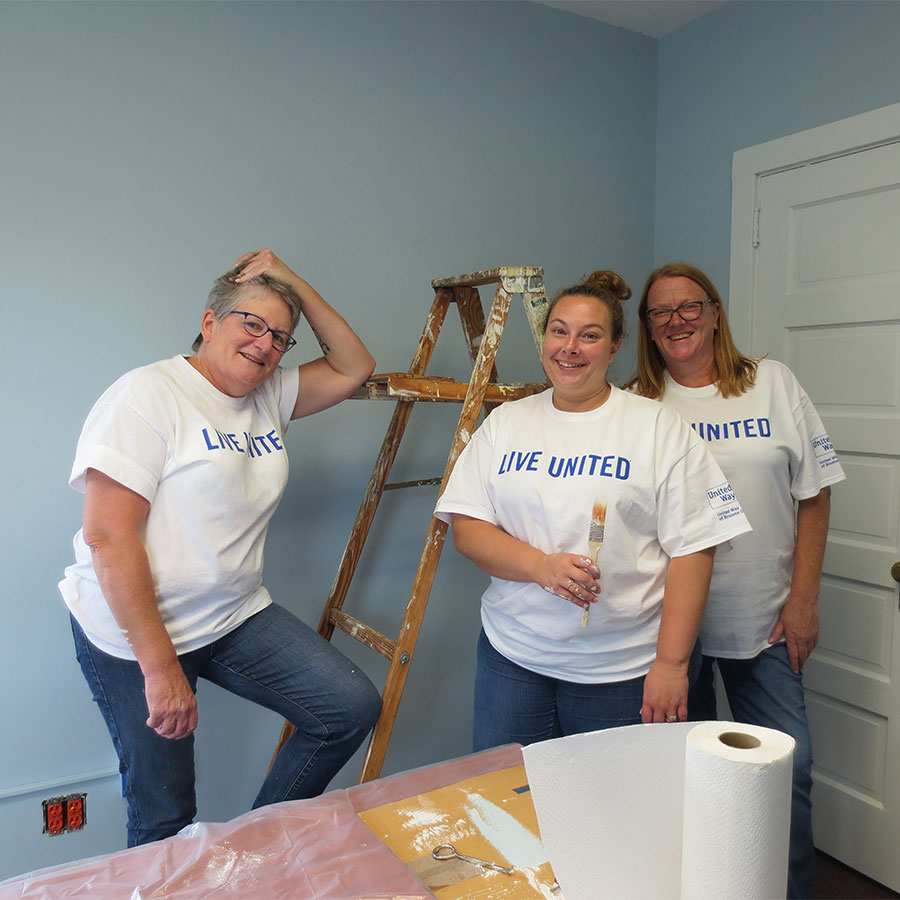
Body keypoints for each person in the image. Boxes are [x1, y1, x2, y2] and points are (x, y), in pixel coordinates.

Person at [59, 249, 382, 847]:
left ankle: (250, 853)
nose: (264, 345)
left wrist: (293, 281)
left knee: (348, 708)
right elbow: (109, 537)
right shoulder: (147, 396)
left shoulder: (268, 394)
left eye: (280, 337)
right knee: (164, 815)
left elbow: (353, 364)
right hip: (136, 635)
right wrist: (161, 670)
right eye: (250, 324)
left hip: (230, 615)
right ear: (210, 322)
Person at [433, 270, 751, 750]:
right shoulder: (506, 424)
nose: (570, 347)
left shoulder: (658, 428)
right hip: (514, 660)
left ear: (616, 345)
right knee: (515, 807)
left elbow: (695, 549)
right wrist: (540, 566)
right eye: (559, 330)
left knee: (612, 819)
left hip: (623, 669)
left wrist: (671, 664)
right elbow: (468, 529)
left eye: (590, 335)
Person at [631, 261, 845, 900]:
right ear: (647, 327)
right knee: (682, 775)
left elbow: (814, 496)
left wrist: (804, 599)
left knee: (787, 769)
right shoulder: (638, 403)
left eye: (690, 306)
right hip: (670, 631)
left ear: (716, 312)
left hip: (766, 619)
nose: (677, 321)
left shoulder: (772, 384)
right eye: (661, 312)